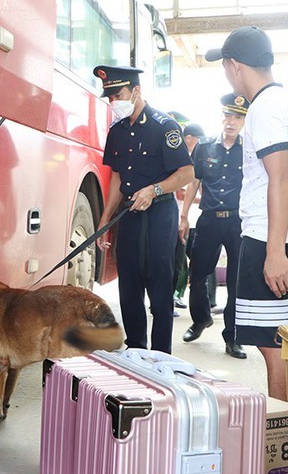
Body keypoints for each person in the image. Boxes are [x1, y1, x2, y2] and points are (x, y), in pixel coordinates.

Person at [206, 26, 288, 400]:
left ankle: (280, 447)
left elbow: (279, 179)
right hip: (272, 234)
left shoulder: (265, 108)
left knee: (274, 347)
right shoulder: (278, 102)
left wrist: (274, 253)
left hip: (265, 238)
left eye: (225, 67)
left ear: (235, 65)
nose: (226, 74)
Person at [94, 65, 194, 354]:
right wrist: (104, 220)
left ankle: (162, 357)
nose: (114, 102)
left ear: (136, 90)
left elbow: (186, 173)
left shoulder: (164, 126)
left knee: (160, 289)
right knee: (129, 285)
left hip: (160, 216)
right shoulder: (117, 130)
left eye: (119, 95)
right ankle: (136, 350)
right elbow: (116, 177)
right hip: (130, 216)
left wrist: (155, 190)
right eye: (110, 97)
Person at [179, 93, 249, 360]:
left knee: (236, 281)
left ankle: (232, 337)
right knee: (197, 274)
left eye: (238, 117)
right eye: (229, 116)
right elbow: (194, 182)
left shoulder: (249, 149)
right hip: (208, 219)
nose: (232, 122)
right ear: (222, 117)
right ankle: (200, 319)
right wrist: (184, 216)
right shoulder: (205, 146)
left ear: (244, 121)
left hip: (238, 222)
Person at [172, 122, 205, 310]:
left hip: (188, 221)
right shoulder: (180, 158)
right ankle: (171, 298)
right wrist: (204, 200)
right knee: (177, 263)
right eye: (198, 140)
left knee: (186, 263)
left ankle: (177, 296)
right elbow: (180, 191)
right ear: (189, 138)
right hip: (176, 219)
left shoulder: (193, 159)